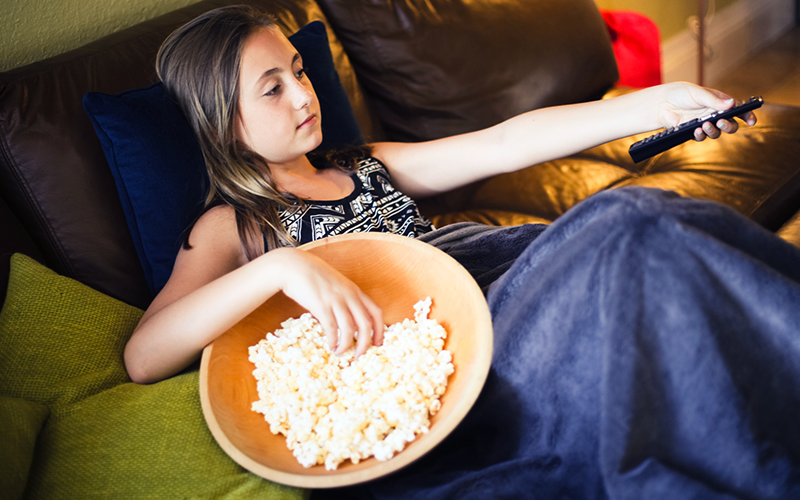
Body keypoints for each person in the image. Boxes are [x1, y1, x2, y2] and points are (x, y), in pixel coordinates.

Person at [124, 5, 800, 499]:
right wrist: (280, 265)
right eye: (272, 88)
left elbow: (505, 143)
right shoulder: (234, 227)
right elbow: (144, 353)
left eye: (299, 71)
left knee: (645, 223)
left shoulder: (365, 162)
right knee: (633, 224)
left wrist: (658, 104)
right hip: (457, 366)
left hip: (495, 287)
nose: (304, 95)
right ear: (223, 120)